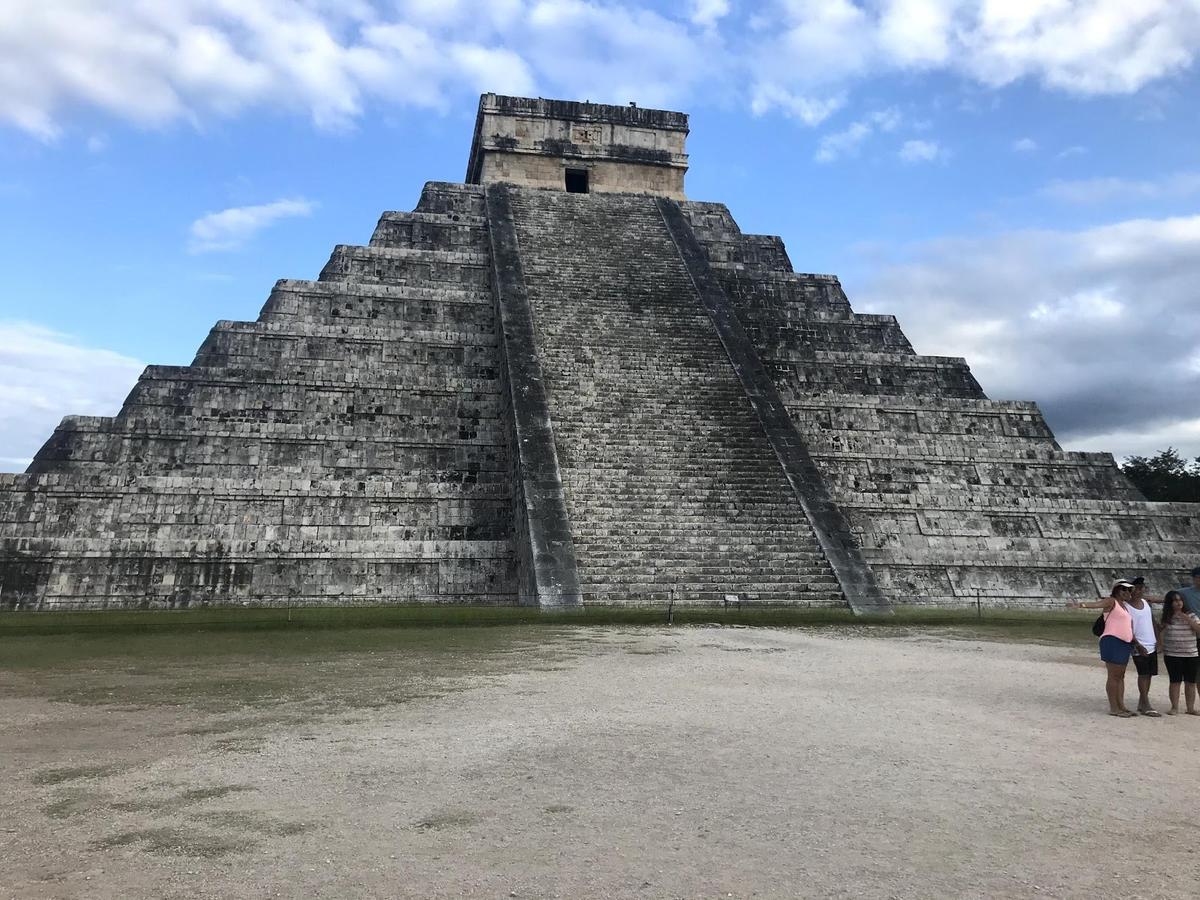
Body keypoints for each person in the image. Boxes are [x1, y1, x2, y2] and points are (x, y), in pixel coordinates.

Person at [1069, 581, 1138, 717]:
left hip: (1124, 643)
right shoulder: (1111, 601)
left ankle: (1121, 705)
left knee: (1121, 676)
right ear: (1117, 590)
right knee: (1113, 675)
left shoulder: (1124, 606)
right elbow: (1097, 604)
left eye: (1129, 590)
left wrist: (1136, 643)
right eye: (1124, 589)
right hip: (1112, 641)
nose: (1127, 592)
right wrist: (1081, 605)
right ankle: (1114, 708)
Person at [1124, 582, 1162, 716]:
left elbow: (1153, 622)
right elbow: (1127, 628)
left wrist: (1158, 640)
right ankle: (1146, 703)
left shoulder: (1146, 603)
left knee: (1150, 674)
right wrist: (1137, 644)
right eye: (1136, 589)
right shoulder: (1126, 607)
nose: (1139, 591)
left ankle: (1142, 701)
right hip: (1138, 645)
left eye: (1141, 588)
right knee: (1143, 674)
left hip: (1151, 643)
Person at [1160, 590, 1200, 716]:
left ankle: (1190, 708)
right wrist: (1160, 646)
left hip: (1191, 654)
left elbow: (1198, 629)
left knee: (1190, 682)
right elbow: (1160, 632)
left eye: (1180, 600)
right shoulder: (1167, 617)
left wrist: (1186, 618)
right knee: (1175, 681)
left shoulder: (1191, 615)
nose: (1178, 603)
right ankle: (1174, 707)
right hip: (1172, 654)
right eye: (1175, 600)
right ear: (1170, 603)